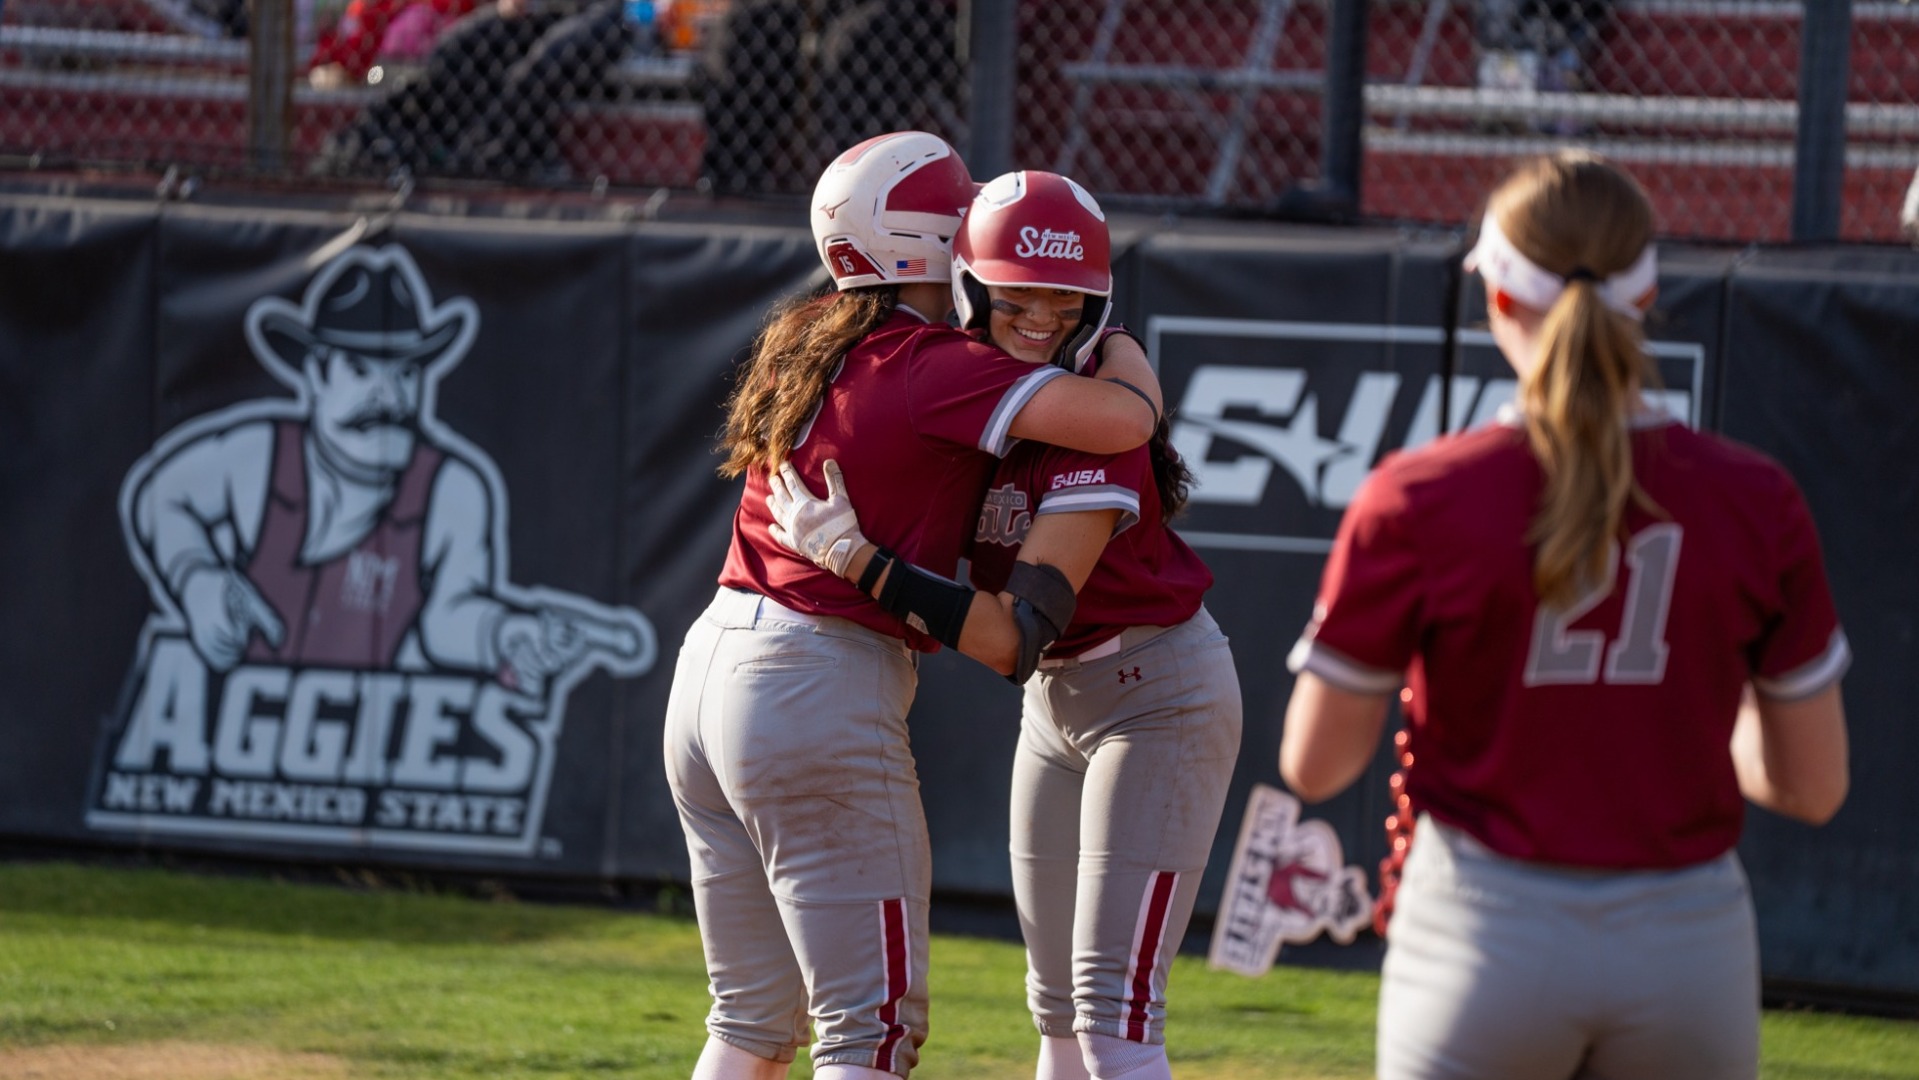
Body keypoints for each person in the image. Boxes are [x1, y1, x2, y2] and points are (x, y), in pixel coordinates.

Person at [1278, 150, 1851, 1080]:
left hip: (1484, 927)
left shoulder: (1418, 495)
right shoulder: (1756, 498)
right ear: (1648, 290)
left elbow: (1315, 763)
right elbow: (1811, 786)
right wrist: (1697, 697)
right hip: (1687, 938)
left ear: (1498, 298)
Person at [662, 134, 1166, 1080]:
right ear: (930, 239)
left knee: (749, 1026)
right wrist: (1113, 336)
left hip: (712, 665)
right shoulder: (931, 361)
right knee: (868, 1032)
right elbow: (1125, 423)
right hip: (813, 680)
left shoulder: (809, 335)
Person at [764, 171, 1242, 1080]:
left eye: (1066, 297)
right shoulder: (964, 390)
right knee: (1054, 1008)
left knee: (1114, 1014)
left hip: (1154, 700)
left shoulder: (1085, 422)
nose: (1041, 313)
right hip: (1062, 705)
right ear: (966, 284)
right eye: (1017, 291)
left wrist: (860, 562)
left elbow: (1009, 640)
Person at [312, 0, 640, 181]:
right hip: (551, 10)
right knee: (457, 48)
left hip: (624, 15)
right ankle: (410, 147)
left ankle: (501, 161)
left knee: (541, 64)